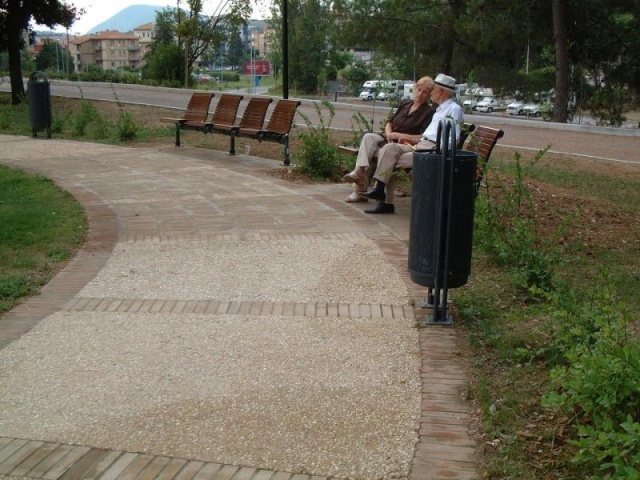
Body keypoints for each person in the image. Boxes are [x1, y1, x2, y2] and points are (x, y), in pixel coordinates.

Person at [361, 73, 465, 214]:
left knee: (390, 158)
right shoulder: (440, 110)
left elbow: (453, 139)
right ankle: (379, 189)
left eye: (433, 90)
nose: (431, 93)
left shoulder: (453, 109)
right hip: (422, 145)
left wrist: (436, 151)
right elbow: (428, 135)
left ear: (440, 92)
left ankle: (385, 201)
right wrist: (411, 140)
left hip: (432, 150)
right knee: (389, 148)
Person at [342, 76, 435, 203]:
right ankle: (359, 171)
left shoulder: (429, 112)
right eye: (419, 89)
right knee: (368, 138)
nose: (420, 94)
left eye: (425, 92)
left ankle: (359, 190)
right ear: (415, 88)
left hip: (404, 145)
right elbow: (389, 123)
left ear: (429, 96)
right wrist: (390, 133)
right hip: (388, 138)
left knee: (377, 152)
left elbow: (423, 137)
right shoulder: (405, 105)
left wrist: (398, 135)